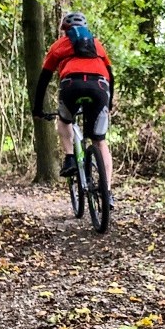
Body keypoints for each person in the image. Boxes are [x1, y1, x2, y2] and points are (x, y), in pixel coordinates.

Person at [32, 12, 115, 209]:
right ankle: (107, 192)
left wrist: (37, 108)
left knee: (64, 121)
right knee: (100, 141)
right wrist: (109, 104)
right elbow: (110, 74)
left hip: (72, 84)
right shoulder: (97, 44)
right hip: (101, 87)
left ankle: (70, 157)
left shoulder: (59, 45)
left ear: (64, 30)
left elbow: (44, 78)